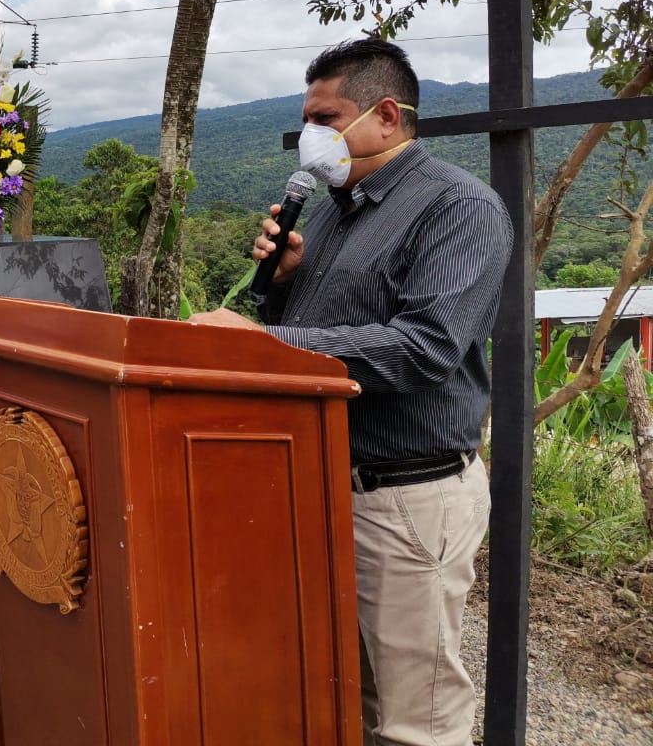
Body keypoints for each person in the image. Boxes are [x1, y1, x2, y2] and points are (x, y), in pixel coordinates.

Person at [189, 39, 512, 746]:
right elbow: (311, 341)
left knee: (413, 715)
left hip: (404, 495)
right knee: (340, 689)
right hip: (319, 484)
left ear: (387, 115)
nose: (311, 135)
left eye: (325, 116)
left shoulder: (458, 208)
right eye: (305, 118)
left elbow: (424, 348)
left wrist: (255, 342)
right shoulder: (333, 208)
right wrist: (277, 294)